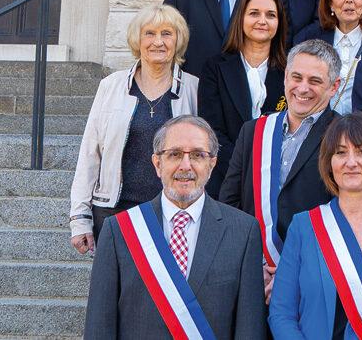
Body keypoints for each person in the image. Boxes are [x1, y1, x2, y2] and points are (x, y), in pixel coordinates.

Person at [84, 115, 265, 340]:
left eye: (198, 155)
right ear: (157, 164)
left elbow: (249, 328)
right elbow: (99, 325)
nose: (185, 166)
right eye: (174, 154)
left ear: (212, 165)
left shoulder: (244, 231)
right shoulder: (119, 230)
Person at [268, 113, 362, 338]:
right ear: (329, 162)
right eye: (341, 152)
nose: (351, 162)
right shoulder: (303, 227)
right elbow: (281, 312)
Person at [219, 40, 342, 304]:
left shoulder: (344, 137)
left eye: (315, 81)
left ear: (334, 87)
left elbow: (347, 216)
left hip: (315, 280)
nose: (303, 88)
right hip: (254, 278)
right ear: (285, 77)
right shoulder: (253, 131)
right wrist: (253, 267)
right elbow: (230, 206)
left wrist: (293, 272)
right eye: (296, 77)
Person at [70, 5, 200, 252]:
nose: (158, 42)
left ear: (178, 40)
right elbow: (89, 154)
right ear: (137, 40)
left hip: (174, 214)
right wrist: (79, 218)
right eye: (149, 33)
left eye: (167, 33)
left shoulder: (194, 89)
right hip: (114, 213)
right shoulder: (111, 86)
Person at [196, 0, 289, 198]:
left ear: (279, 23)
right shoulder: (215, 68)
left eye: (271, 15)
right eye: (254, 13)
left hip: (277, 182)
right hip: (226, 180)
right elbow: (212, 130)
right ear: (241, 18)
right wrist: (245, 168)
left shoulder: (290, 72)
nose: (262, 21)